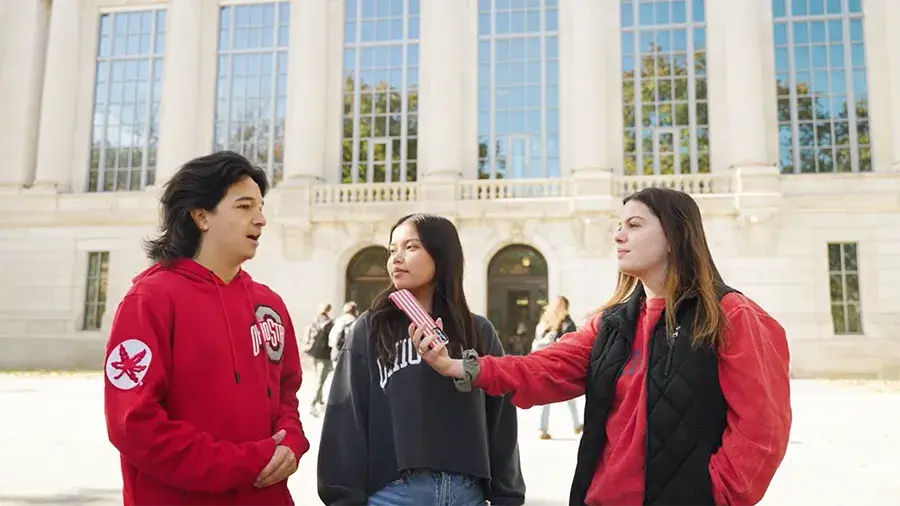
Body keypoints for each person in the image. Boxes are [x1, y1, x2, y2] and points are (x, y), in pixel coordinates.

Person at [413, 188, 792, 506]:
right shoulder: (611, 323)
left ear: (675, 236)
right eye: (618, 226)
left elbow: (761, 432)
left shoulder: (733, 316)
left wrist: (712, 495)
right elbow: (544, 368)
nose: (618, 236)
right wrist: (460, 367)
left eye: (634, 225)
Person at [103, 151, 309, 505]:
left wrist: (290, 440)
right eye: (244, 207)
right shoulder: (149, 300)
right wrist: (246, 462)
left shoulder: (269, 304)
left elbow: (287, 392)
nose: (261, 220)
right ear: (201, 216)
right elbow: (134, 424)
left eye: (261, 207)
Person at [317, 213, 526, 506]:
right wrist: (343, 497)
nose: (396, 258)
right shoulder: (371, 327)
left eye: (411, 247)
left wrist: (507, 495)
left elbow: (501, 417)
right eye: (392, 250)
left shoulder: (477, 330)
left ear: (441, 254)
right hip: (393, 493)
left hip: (467, 493)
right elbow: (346, 413)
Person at [531, 295, 582, 439]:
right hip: (554, 362)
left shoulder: (547, 321)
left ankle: (546, 427)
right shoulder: (561, 322)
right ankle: (573, 424)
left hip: (548, 361)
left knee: (558, 393)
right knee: (562, 392)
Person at [303, 303, 335, 417]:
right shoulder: (330, 323)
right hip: (325, 355)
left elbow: (308, 335)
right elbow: (333, 339)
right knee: (320, 381)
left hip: (315, 354)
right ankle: (313, 404)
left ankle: (320, 402)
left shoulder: (314, 321)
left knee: (318, 379)